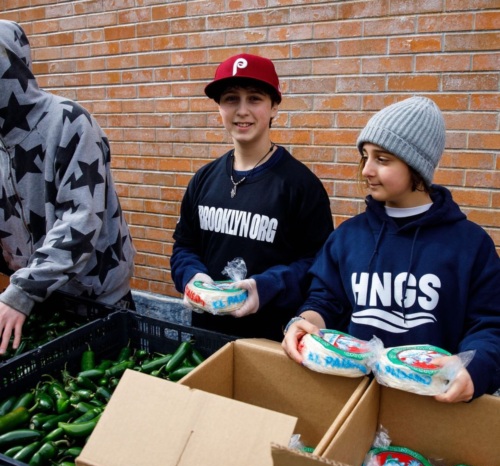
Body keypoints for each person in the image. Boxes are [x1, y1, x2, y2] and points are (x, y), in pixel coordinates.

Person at [282, 96, 500, 402]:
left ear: (417, 166)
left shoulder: (470, 245)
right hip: (349, 400)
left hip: (433, 408)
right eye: (365, 156)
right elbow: (326, 301)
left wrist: (475, 370)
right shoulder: (348, 236)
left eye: (382, 159)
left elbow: (490, 325)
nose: (366, 170)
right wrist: (306, 323)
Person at [170, 53, 333, 341]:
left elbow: (318, 266)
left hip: (270, 342)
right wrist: (192, 277)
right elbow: (184, 246)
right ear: (219, 108)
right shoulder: (203, 179)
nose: (242, 110)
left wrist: (266, 286)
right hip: (205, 335)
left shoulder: (301, 186)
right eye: (231, 98)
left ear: (274, 108)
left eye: (255, 98)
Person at [0, 20, 136, 354]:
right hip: (37, 302)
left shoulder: (69, 121)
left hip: (97, 302)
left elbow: (81, 219)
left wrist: (21, 291)